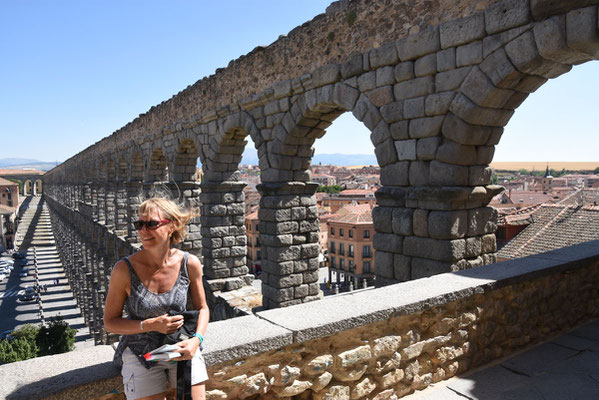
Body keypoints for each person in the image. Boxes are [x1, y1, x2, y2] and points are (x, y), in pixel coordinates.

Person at [104, 197, 210, 400]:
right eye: (139, 224)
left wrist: (197, 340)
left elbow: (203, 308)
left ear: (172, 226)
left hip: (180, 347)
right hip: (140, 353)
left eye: (152, 224)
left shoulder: (190, 263)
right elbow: (110, 322)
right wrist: (150, 324)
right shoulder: (123, 270)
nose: (143, 230)